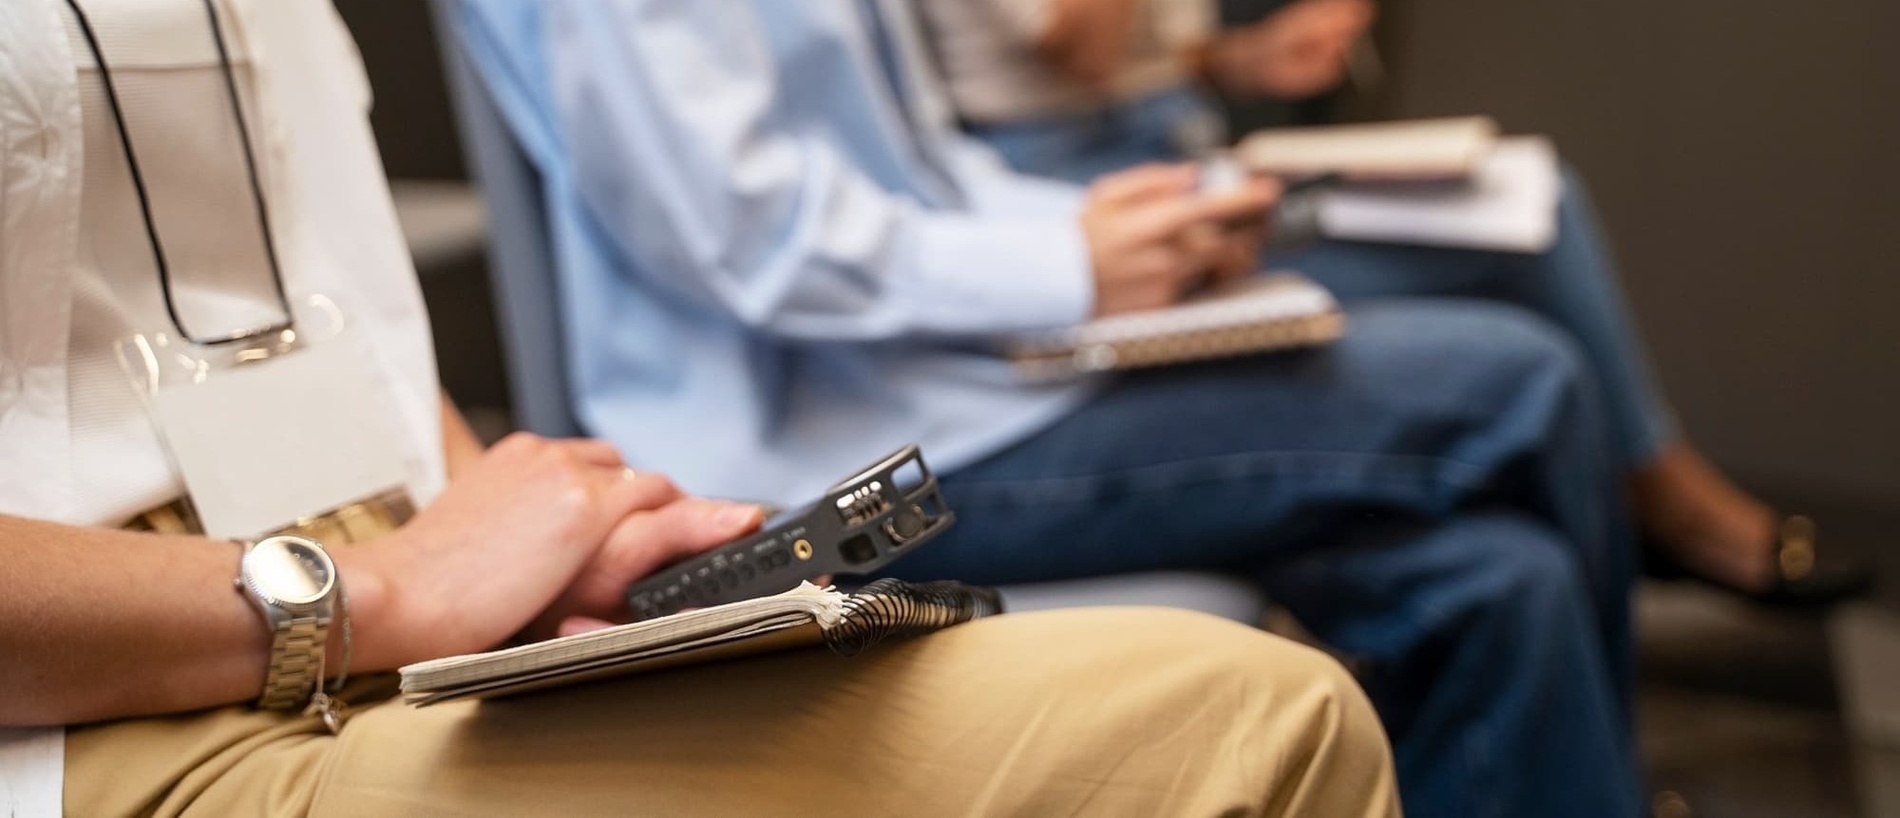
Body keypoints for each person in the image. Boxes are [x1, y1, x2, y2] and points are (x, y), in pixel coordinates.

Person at [0, 1, 1405, 815]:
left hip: (368, 600)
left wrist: (509, 547)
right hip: (110, 711)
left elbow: (317, 313)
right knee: (1263, 708)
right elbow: (752, 233)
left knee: (1465, 550)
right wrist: (368, 590)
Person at [449, 1, 1642, 815]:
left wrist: (1132, 234)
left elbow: (920, 169)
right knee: (1517, 381)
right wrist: (1067, 267)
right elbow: (742, 235)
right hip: (825, 462)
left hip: (942, 381)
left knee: (1499, 578)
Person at [917, 0, 1871, 605]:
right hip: (1070, 183)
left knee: (1533, 214)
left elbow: (1120, 59)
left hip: (1163, 148)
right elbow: (1076, 47)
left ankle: (1641, 552)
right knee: (1522, 377)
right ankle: (1667, 515)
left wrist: (1242, 59)